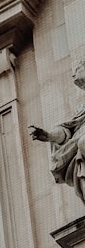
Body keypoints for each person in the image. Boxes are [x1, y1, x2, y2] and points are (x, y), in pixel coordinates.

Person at [30, 60, 85, 205]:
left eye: (79, 68)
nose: (73, 74)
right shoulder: (82, 108)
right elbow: (67, 131)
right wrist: (49, 136)